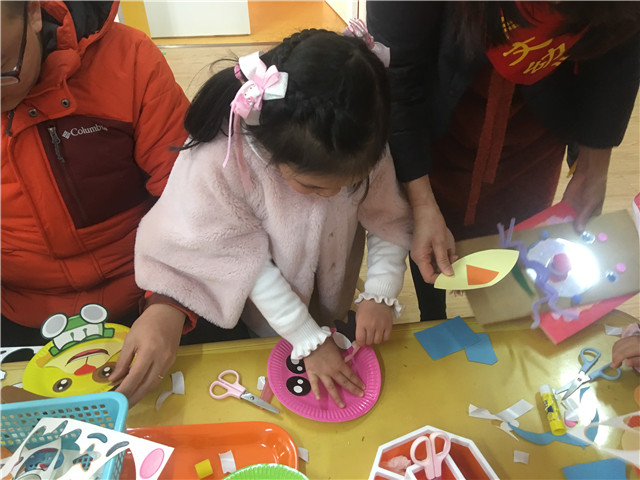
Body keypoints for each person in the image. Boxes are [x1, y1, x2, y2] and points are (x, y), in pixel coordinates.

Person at [134, 29, 413, 408]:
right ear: (273, 153)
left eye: (348, 185)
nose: (334, 195)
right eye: (313, 186)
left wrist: (381, 290)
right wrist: (306, 338)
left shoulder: (362, 137)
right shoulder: (224, 159)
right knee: (267, 360)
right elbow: (244, 264)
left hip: (332, 294)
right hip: (261, 308)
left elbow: (386, 217)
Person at [0, 0, 247, 406]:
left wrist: (170, 302)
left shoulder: (128, 60)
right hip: (22, 317)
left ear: (32, 12)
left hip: (151, 290)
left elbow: (195, 195)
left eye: (3, 68)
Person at [367, 1, 640, 321]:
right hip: (443, 108)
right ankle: (433, 312)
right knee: (431, 223)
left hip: (537, 120)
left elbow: (622, 43)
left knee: (517, 234)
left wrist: (593, 168)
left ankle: (507, 317)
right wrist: (422, 201)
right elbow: (397, 79)